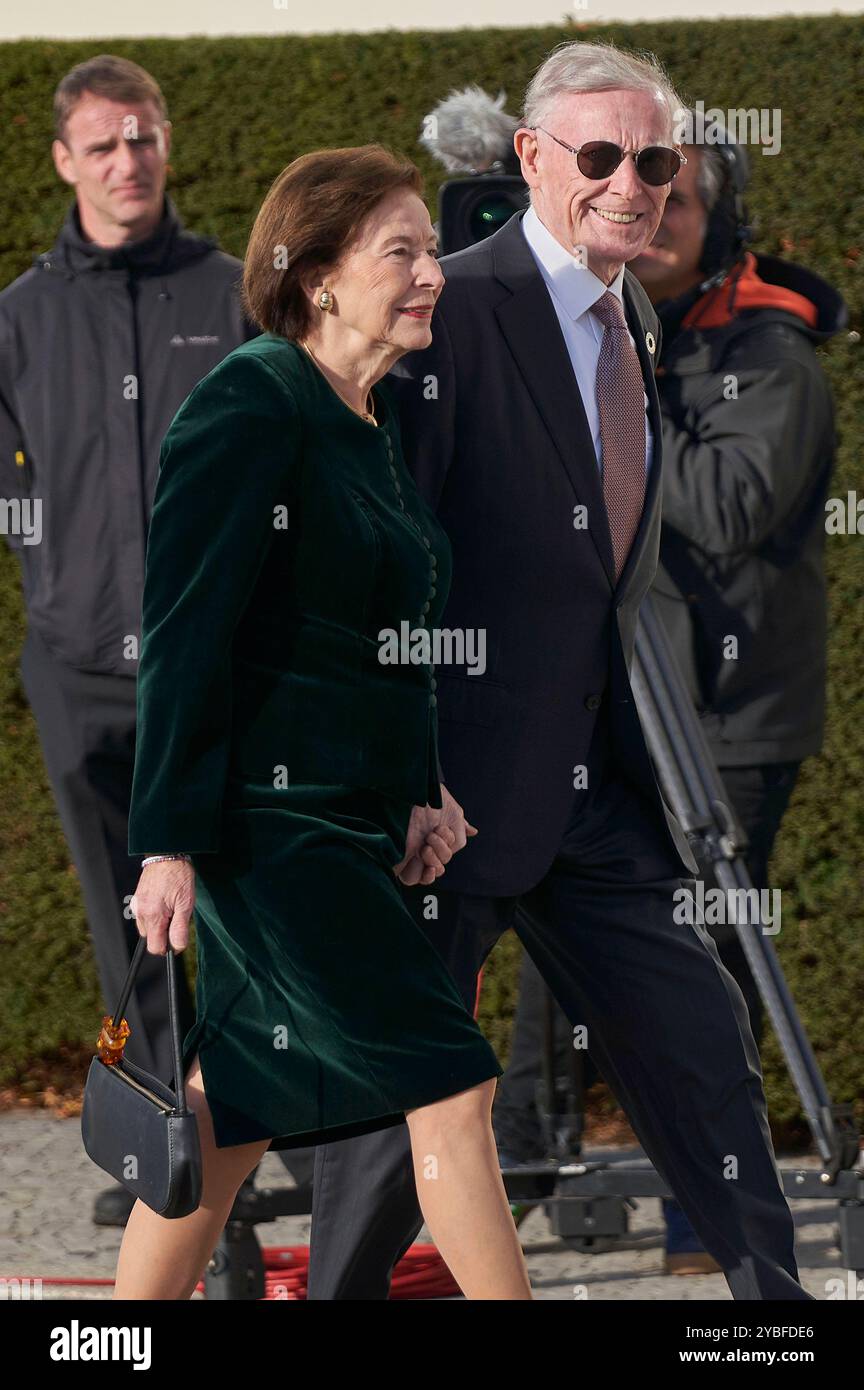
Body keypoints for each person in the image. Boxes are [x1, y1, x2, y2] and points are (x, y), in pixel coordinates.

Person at [305, 40, 814, 1301]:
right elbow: (379, 570)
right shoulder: (454, 305)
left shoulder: (627, 312)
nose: (629, 183)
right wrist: (405, 782)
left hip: (594, 793)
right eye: (597, 156)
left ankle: (774, 1318)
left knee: (701, 1050)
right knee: (389, 1125)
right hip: (444, 800)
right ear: (529, 158)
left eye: (653, 159)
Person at [112, 144, 533, 1300]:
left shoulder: (368, 417)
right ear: (317, 277)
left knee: (230, 1115)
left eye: (431, 249)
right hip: (269, 830)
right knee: (451, 1085)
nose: (432, 272)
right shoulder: (251, 399)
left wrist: (422, 784)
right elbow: (185, 629)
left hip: (345, 819)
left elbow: (374, 643)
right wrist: (166, 840)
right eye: (402, 250)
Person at [491, 115, 845, 1275]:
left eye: (674, 196)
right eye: (619, 184)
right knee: (559, 965)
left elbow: (733, 507)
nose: (645, 212)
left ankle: (710, 1231)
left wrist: (612, 401)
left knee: (703, 975)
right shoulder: (593, 326)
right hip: (606, 705)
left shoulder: (771, 346)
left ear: (713, 219)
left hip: (727, 719)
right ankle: (509, 1193)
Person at [0, 53, 258, 1225]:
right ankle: (161, 1151)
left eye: (141, 136)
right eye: (101, 144)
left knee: (247, 904)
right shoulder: (19, 316)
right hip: (78, 667)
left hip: (220, 665)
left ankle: (248, 1140)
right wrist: (52, 583)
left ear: (167, 144)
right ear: (64, 161)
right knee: (127, 918)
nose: (126, 161)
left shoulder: (231, 293)